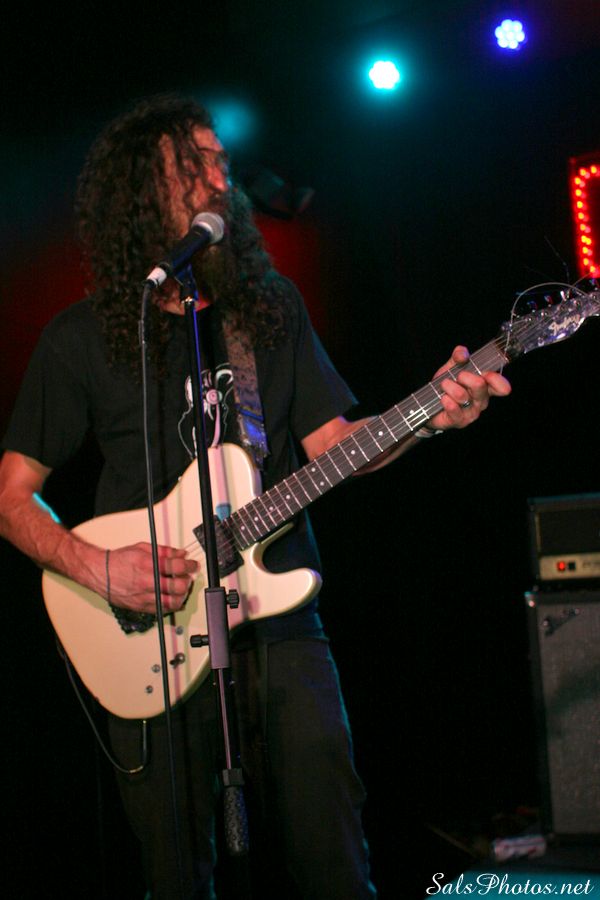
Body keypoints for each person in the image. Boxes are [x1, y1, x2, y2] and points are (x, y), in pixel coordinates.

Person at [0, 94, 511, 899]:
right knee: (177, 875)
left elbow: (336, 446)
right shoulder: (82, 336)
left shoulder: (266, 311)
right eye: (193, 163)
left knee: (334, 852)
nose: (218, 178)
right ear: (142, 188)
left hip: (280, 625)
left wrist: (431, 416)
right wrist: (96, 567)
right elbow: (12, 498)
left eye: (221, 161)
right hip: (146, 635)